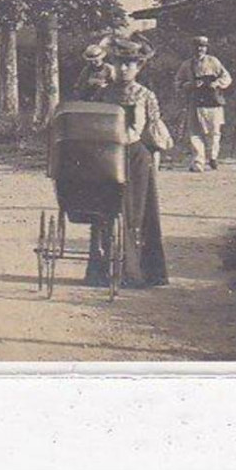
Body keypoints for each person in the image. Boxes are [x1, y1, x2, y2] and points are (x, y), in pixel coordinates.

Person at [86, 36, 170, 288]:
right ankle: (100, 271)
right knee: (103, 210)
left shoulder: (145, 95)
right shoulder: (103, 93)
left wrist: (155, 161)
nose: (124, 69)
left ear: (139, 67)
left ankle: (139, 272)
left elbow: (152, 133)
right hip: (106, 156)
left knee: (137, 213)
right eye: (120, 63)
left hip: (134, 157)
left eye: (130, 64)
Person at [174, 35, 232, 172]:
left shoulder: (213, 62)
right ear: (192, 48)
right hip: (195, 101)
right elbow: (177, 82)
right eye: (197, 46)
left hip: (213, 101)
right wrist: (189, 85)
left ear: (206, 48)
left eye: (202, 46)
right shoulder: (187, 65)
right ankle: (198, 161)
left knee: (214, 132)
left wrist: (216, 83)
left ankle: (212, 156)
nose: (200, 49)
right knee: (195, 132)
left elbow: (227, 77)